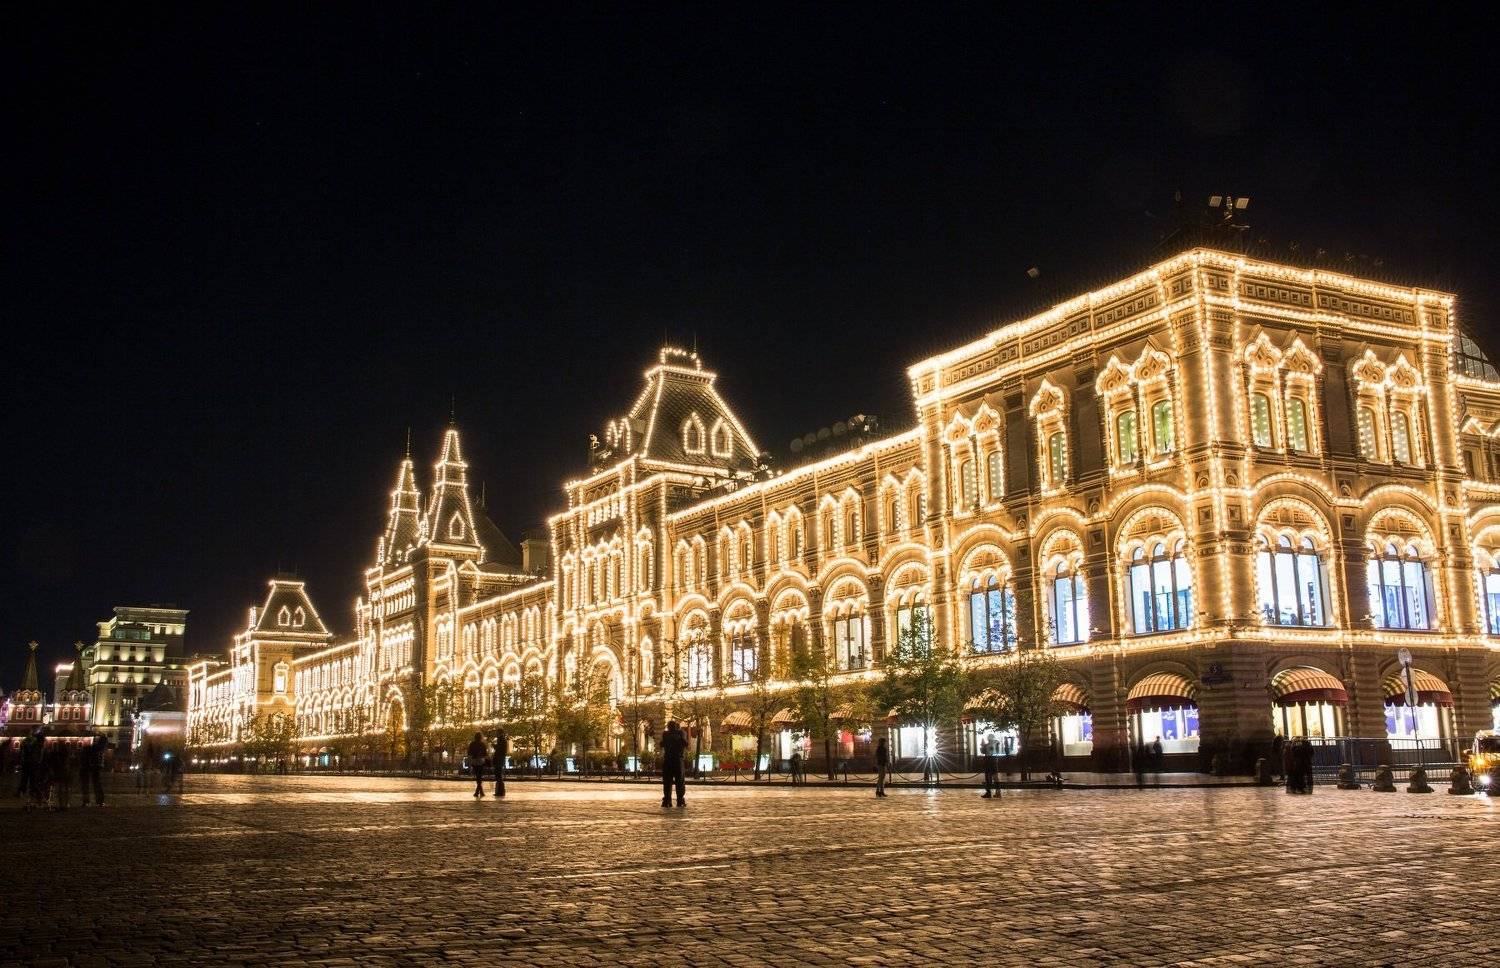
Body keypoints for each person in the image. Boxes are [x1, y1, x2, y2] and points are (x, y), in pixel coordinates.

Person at [660, 720, 687, 808]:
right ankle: (680, 800)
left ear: (669, 726)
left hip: (668, 760)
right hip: (678, 760)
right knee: (680, 781)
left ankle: (667, 800)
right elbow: (685, 743)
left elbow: (661, 744)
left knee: (667, 782)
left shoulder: (665, 734)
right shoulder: (681, 733)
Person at [81, 732, 108, 807]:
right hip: (95, 764)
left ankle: (88, 801)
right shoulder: (101, 740)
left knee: (88, 783)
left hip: (90, 764)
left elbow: (95, 749)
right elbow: (100, 749)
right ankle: (99, 801)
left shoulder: (90, 739)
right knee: (95, 783)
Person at [466, 732, 488, 799]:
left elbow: (469, 753)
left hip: (474, 761)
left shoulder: (472, 744)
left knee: (477, 777)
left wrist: (470, 764)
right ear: (481, 737)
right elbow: (485, 754)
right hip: (481, 761)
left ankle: (479, 791)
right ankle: (479, 791)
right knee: (480, 777)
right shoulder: (482, 744)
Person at [981, 732, 1000, 798]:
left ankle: (988, 793)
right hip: (994, 760)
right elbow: (997, 751)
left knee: (988, 777)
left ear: (988, 739)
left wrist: (982, 745)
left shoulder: (987, 745)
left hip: (989, 760)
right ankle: (998, 792)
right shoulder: (996, 743)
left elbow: (983, 752)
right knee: (995, 777)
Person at [492, 729, 508, 798]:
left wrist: (494, 745)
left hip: (499, 759)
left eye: (497, 732)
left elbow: (498, 749)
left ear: (499, 733)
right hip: (501, 759)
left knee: (498, 775)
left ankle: (500, 792)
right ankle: (500, 791)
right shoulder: (503, 739)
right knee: (499, 775)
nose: (496, 734)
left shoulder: (500, 739)